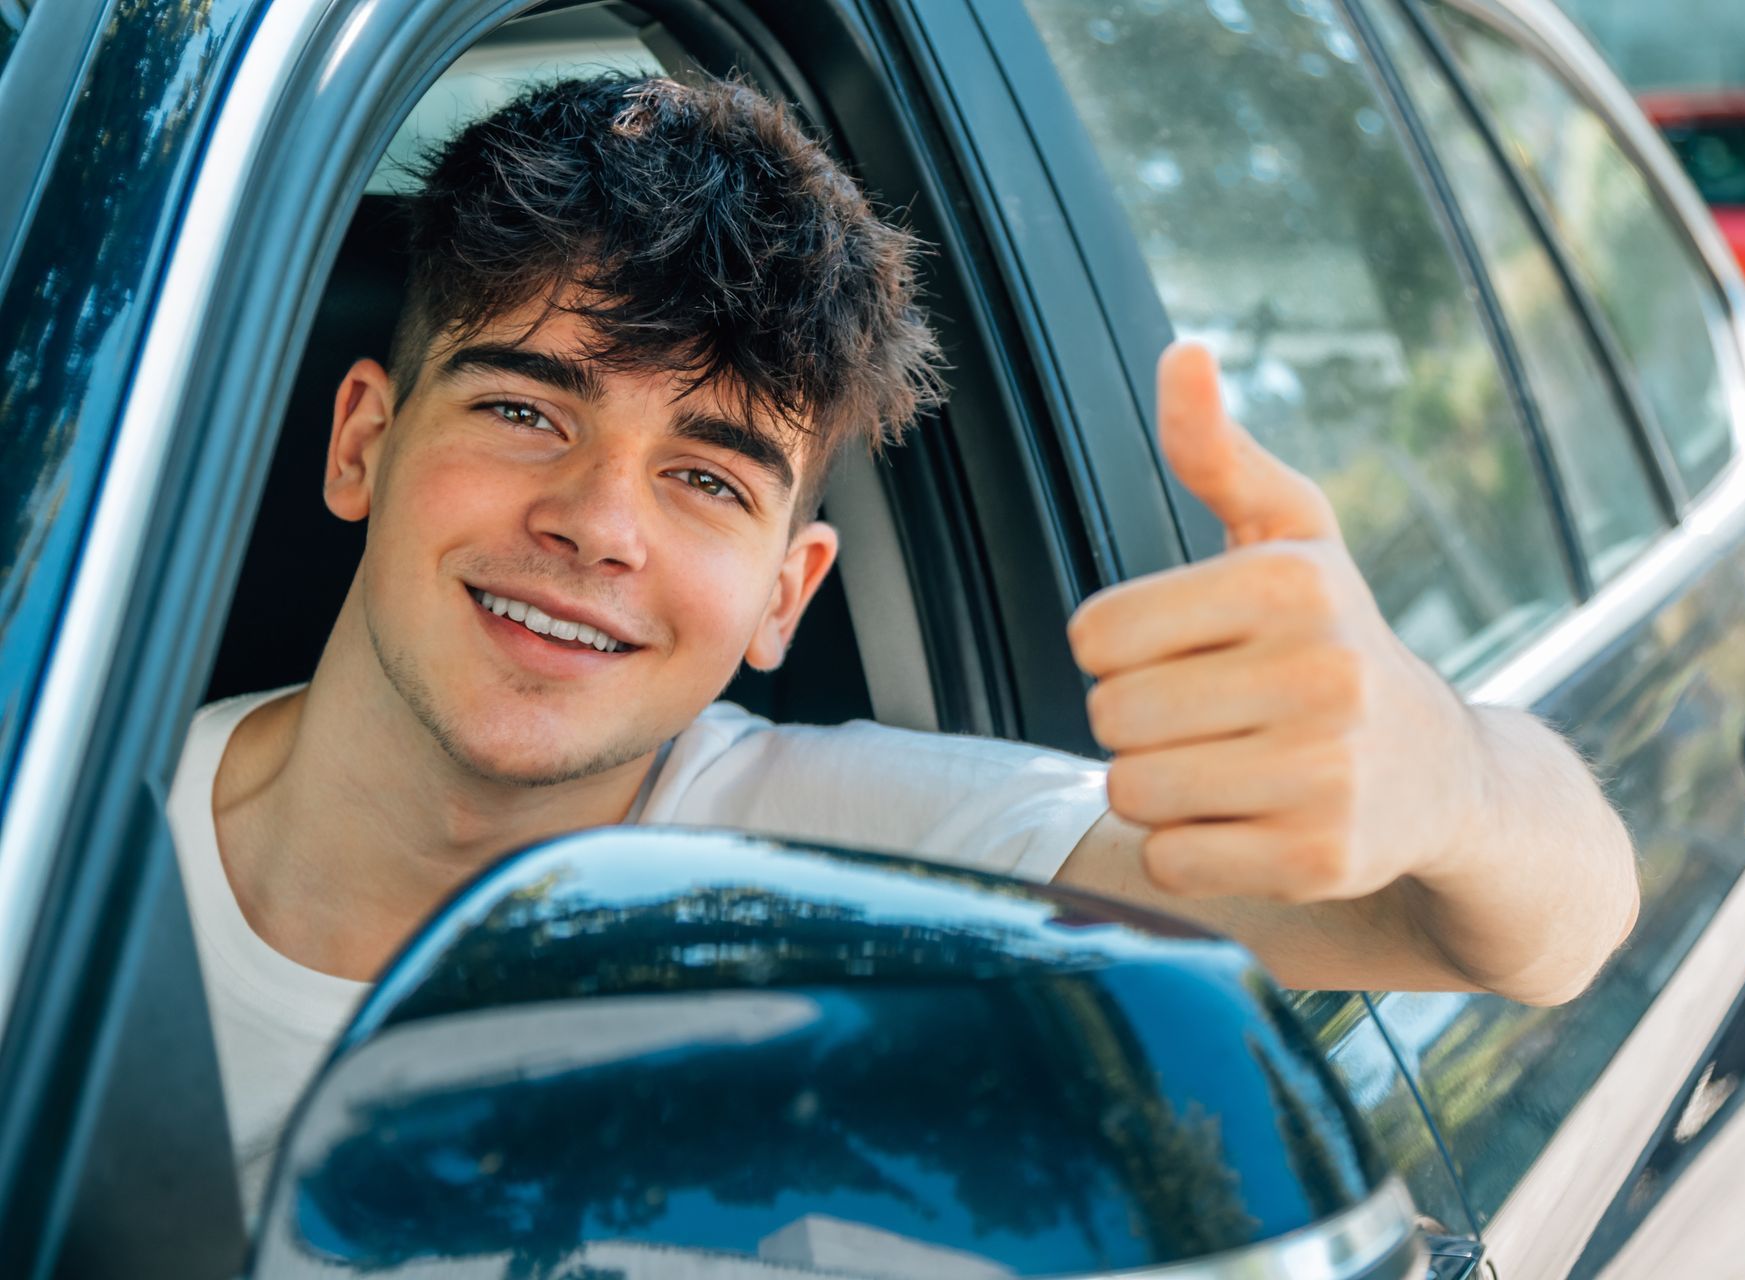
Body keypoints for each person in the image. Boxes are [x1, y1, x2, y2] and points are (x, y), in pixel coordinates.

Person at [166, 73, 1639, 1215]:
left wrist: (1448, 768)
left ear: (784, 599)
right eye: (524, 409)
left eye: (707, 478)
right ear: (363, 439)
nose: (598, 524)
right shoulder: (58, 821)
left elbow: (1528, 931)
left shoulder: (863, 863)